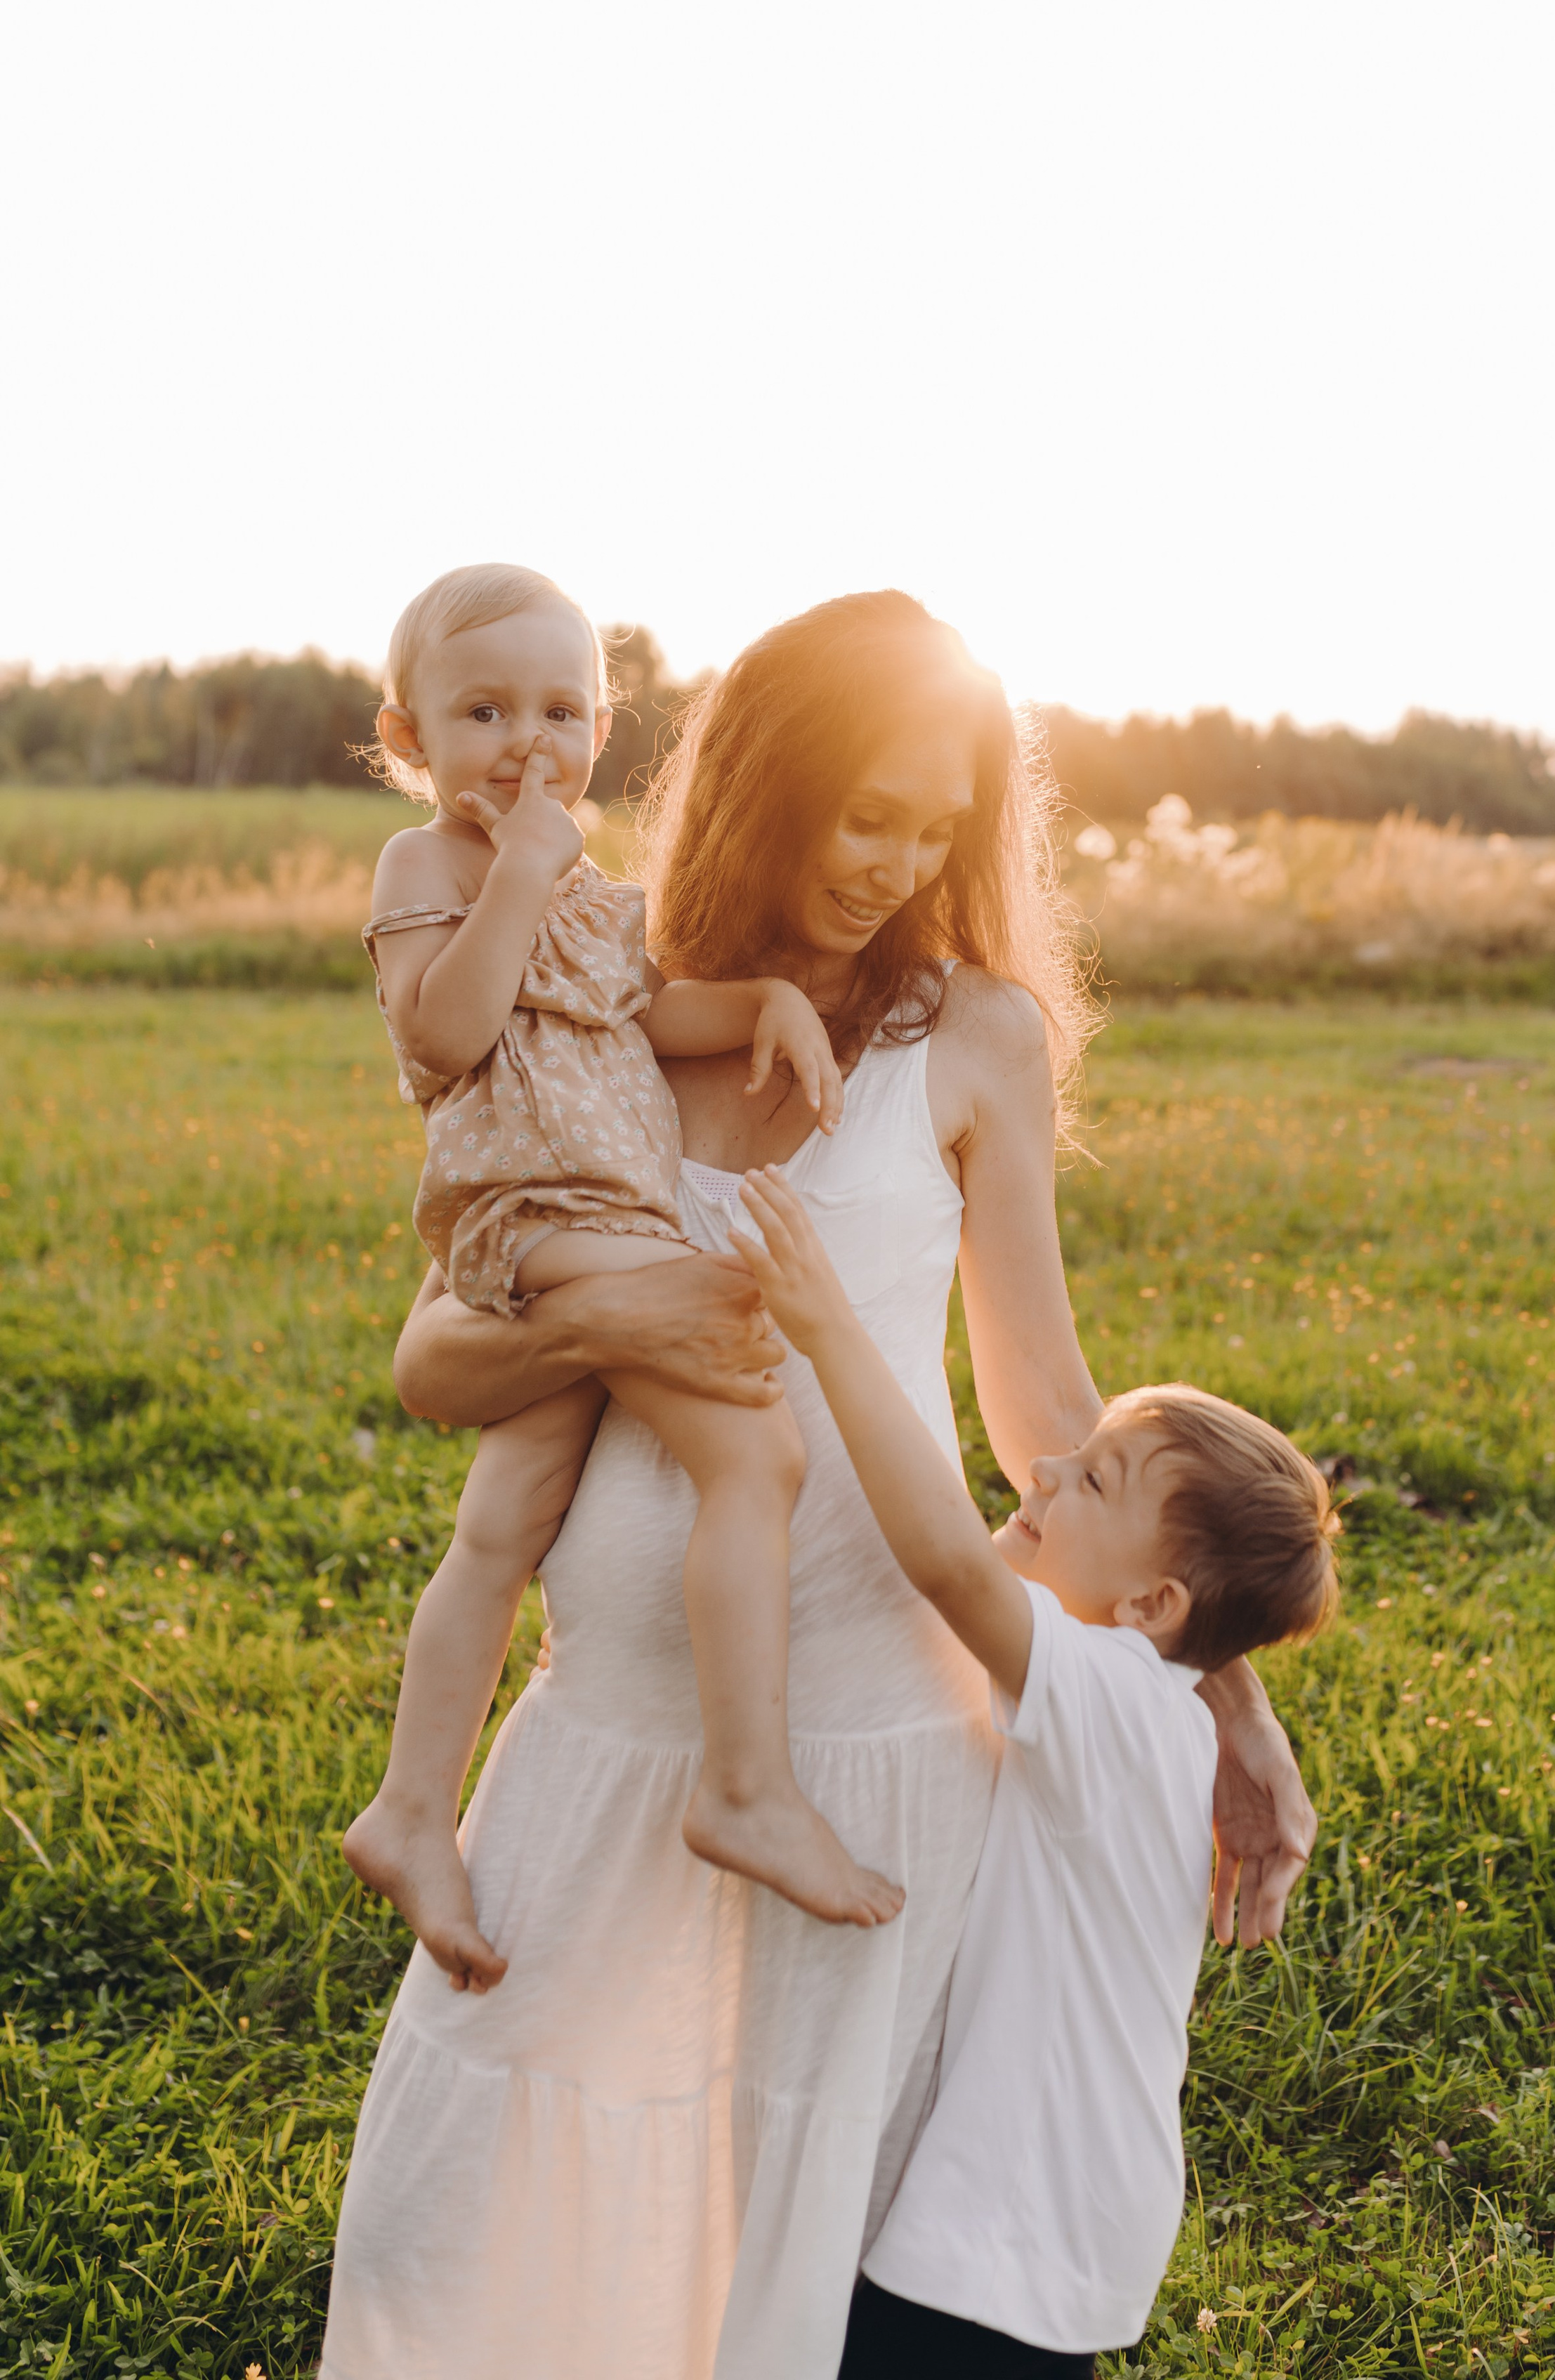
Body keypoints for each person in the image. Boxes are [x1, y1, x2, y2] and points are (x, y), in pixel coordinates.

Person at [320, 591, 1321, 2380]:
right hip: (612, 1711)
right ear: (769, 784)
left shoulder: (974, 1036)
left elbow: (1043, 1406)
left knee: (782, 2209)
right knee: (461, 2205)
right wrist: (621, 1317)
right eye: (867, 815)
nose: (898, 865)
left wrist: (1222, 1698)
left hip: (867, 1725)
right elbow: (437, 1360)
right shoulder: (605, 974)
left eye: (937, 827)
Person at [343, 564, 903, 1985]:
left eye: (560, 712)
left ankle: (409, 1809)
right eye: (483, 713)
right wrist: (522, 871)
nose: (526, 743)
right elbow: (445, 1039)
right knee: (756, 1454)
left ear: (601, 729)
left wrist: (767, 1001)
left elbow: (650, 1015)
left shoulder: (593, 897)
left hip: (593, 1213)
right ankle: (745, 1786)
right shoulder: (429, 868)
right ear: (408, 737)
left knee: (501, 1527)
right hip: (538, 1210)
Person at [730, 1165, 1339, 2378]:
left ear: (1153, 1604)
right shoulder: (1153, 1702)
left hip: (1010, 2222)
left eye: (1092, 1479)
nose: (1045, 1473)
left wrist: (828, 1327)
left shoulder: (1113, 1700)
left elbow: (950, 1567)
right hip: (1063, 2215)